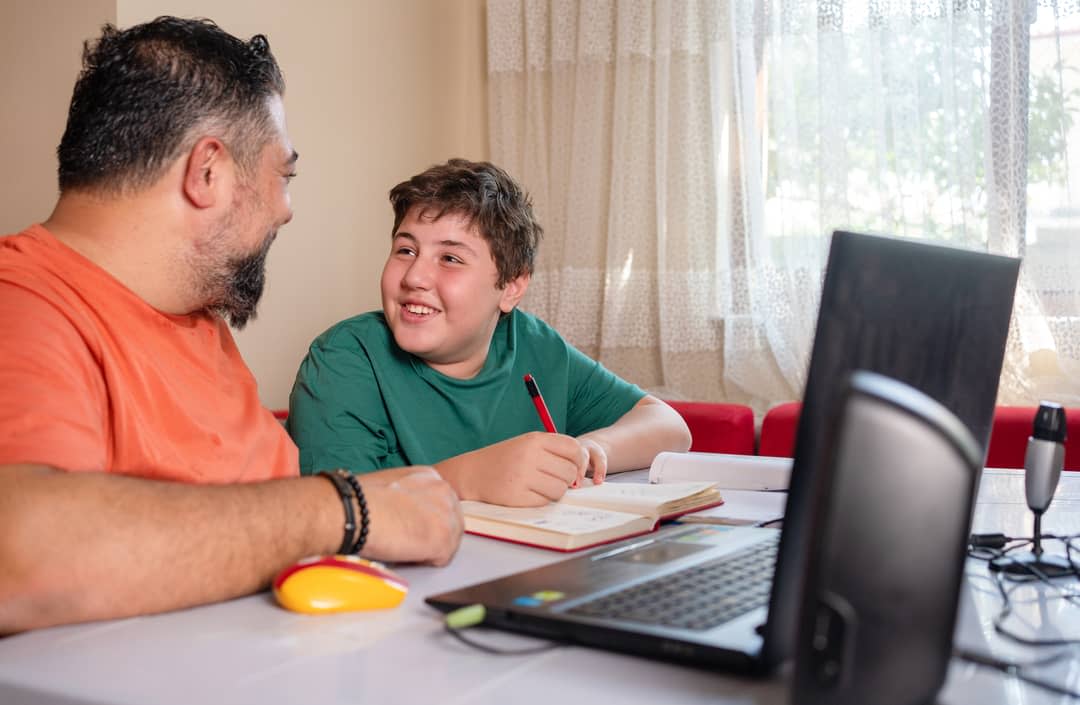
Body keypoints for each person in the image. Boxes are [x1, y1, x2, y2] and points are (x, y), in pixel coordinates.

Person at [0, 17, 462, 636]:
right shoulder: (22, 305)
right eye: (283, 175)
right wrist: (347, 508)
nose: (285, 209)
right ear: (208, 173)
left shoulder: (195, 313)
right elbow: (23, 557)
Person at [287, 159, 692, 507]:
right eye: (405, 250)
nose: (415, 276)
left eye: (449, 258)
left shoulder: (534, 344)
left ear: (512, 287)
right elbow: (333, 507)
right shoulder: (344, 358)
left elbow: (670, 427)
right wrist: (467, 479)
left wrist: (591, 449)